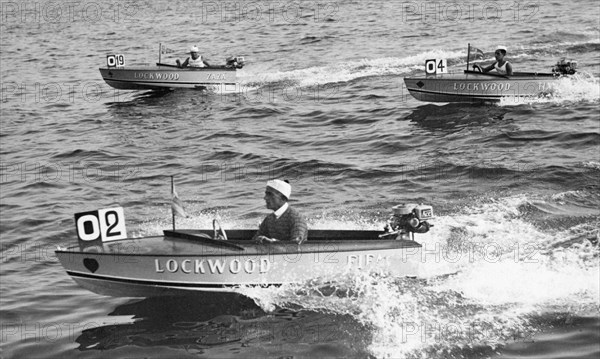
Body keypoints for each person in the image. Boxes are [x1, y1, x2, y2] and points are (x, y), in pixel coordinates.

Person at [253, 179, 308, 244]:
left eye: (269, 194)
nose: (265, 198)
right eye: (266, 194)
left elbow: (296, 245)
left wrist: (273, 243)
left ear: (283, 198)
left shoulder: (296, 219)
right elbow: (254, 241)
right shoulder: (268, 219)